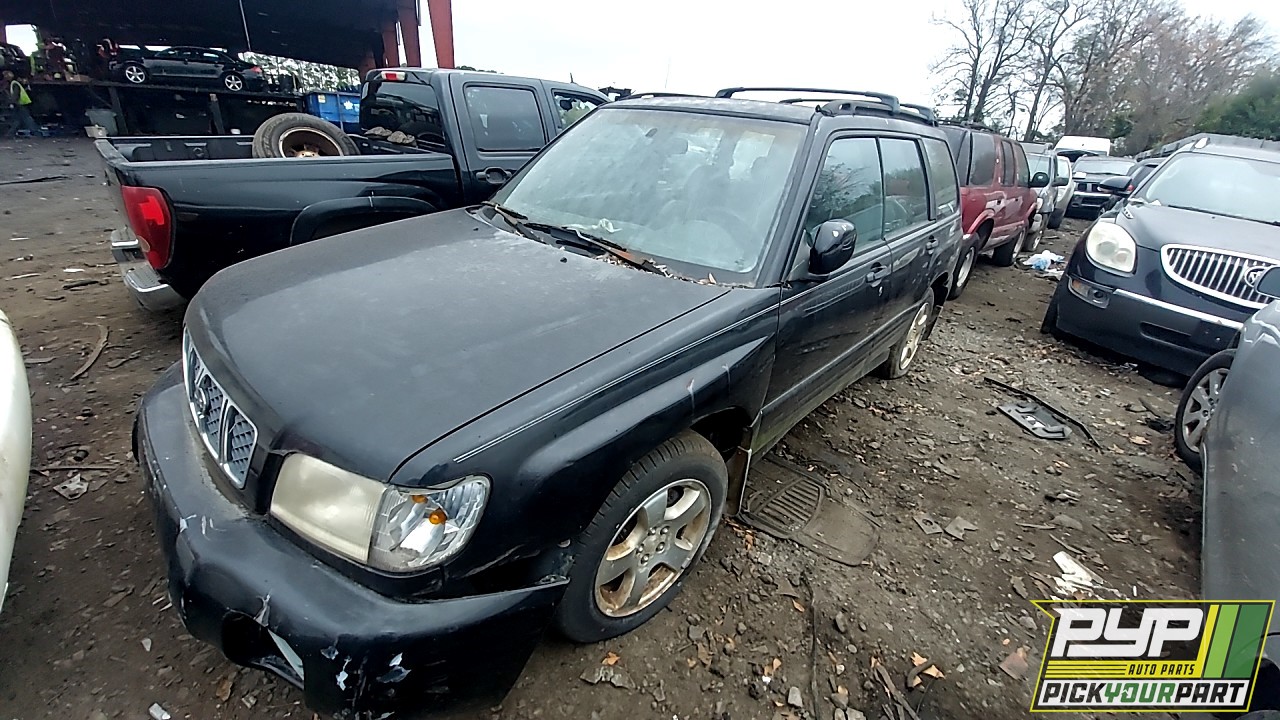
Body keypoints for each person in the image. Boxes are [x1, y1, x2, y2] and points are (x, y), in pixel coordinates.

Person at [3, 69, 39, 136]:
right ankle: (10, 134)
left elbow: (16, 94)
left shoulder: (14, 84)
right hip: (20, 104)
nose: (5, 77)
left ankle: (36, 132)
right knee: (20, 119)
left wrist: (12, 103)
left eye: (6, 76)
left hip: (19, 104)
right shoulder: (14, 83)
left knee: (25, 119)